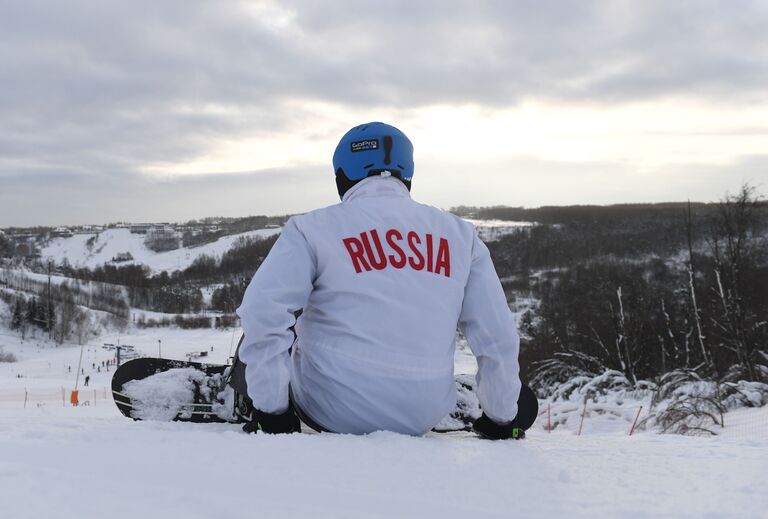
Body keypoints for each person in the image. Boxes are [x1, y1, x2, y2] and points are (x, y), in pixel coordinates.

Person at [235, 122, 522, 439]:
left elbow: (263, 311)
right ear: (407, 174)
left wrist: (272, 412)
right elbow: (497, 334)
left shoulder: (311, 228)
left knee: (277, 316)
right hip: (423, 414)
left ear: (342, 175)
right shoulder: (462, 236)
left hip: (329, 409)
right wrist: (501, 417)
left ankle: (251, 393)